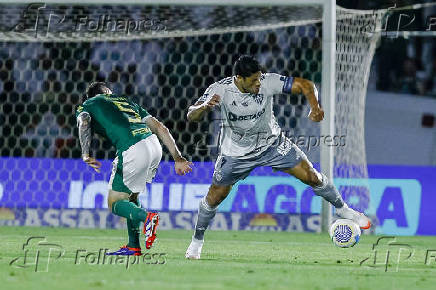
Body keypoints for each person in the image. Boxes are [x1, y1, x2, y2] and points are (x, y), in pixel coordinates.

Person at [185, 55, 371, 259]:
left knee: (312, 176)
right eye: (253, 80)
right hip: (236, 153)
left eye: (259, 78)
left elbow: (306, 85)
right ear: (239, 78)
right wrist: (204, 107)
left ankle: (344, 210)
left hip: (272, 144)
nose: (258, 83)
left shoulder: (268, 81)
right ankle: (197, 241)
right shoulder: (219, 90)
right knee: (214, 198)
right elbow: (190, 115)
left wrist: (315, 107)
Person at [76, 82, 193, 256]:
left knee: (114, 203)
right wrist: (178, 157)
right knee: (131, 196)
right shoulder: (127, 102)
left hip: (132, 148)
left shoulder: (89, 103)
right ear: (108, 92)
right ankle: (133, 246)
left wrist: (85, 154)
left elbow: (84, 120)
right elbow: (161, 127)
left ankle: (147, 218)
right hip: (154, 146)